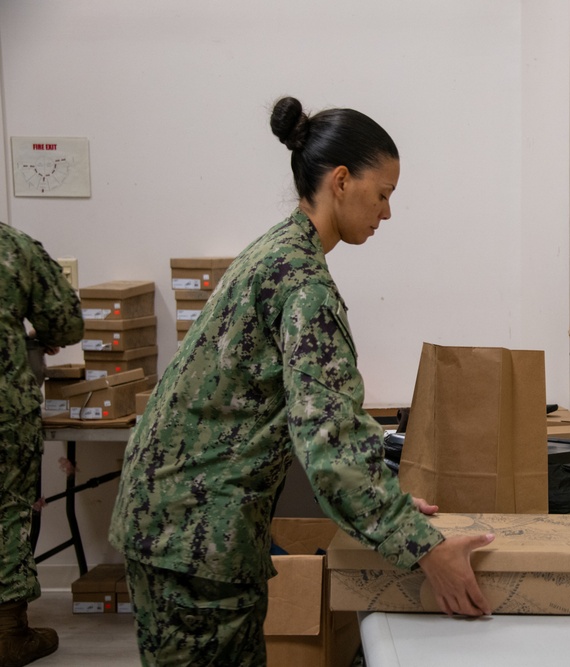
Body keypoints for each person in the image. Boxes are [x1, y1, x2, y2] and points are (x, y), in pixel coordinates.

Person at [109, 97, 495, 666]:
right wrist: (424, 549)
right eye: (382, 193)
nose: (387, 212)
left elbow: (308, 423)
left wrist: (381, 501)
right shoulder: (303, 284)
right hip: (194, 533)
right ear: (341, 181)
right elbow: (329, 445)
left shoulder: (277, 250)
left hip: (177, 515)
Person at [0, 222, 84, 667]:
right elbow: (66, 322)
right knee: (7, 508)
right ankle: (7, 634)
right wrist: (38, 338)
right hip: (4, 411)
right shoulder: (11, 248)